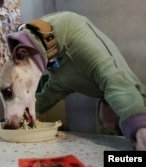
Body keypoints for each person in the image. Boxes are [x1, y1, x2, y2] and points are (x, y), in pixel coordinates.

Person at [34, 12, 146, 150]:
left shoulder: (74, 31)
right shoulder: (57, 65)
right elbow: (52, 90)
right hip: (108, 108)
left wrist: (138, 124)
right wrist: (26, 114)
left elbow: (112, 76)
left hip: (136, 103)